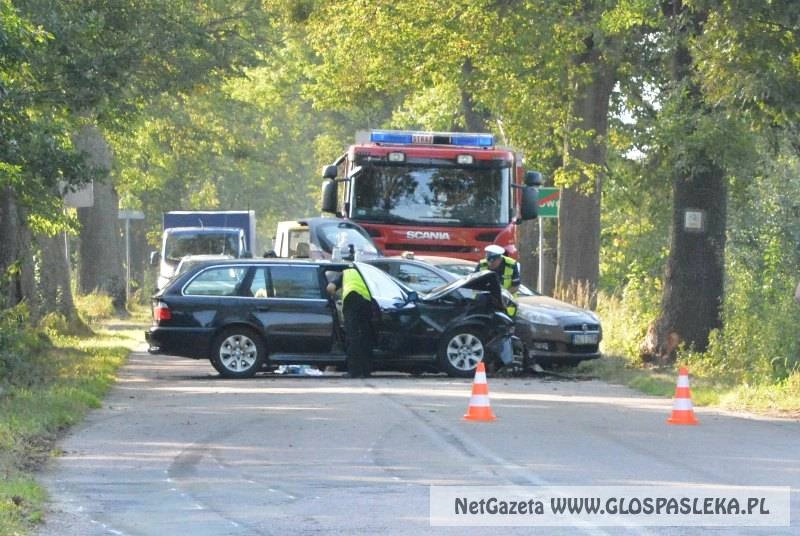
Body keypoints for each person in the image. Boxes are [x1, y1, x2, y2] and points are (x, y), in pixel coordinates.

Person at [326, 261, 374, 378]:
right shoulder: (366, 273)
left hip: (351, 301)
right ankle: (366, 371)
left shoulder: (345, 273)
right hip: (367, 302)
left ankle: (354, 372)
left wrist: (334, 297)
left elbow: (330, 288)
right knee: (365, 337)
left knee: (352, 337)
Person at [475, 244, 520, 315]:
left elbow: (515, 286)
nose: (490, 263)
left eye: (492, 261)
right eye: (488, 260)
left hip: (505, 303)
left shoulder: (511, 265)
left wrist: (502, 295)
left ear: (500, 258)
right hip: (484, 303)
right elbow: (474, 285)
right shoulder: (481, 265)